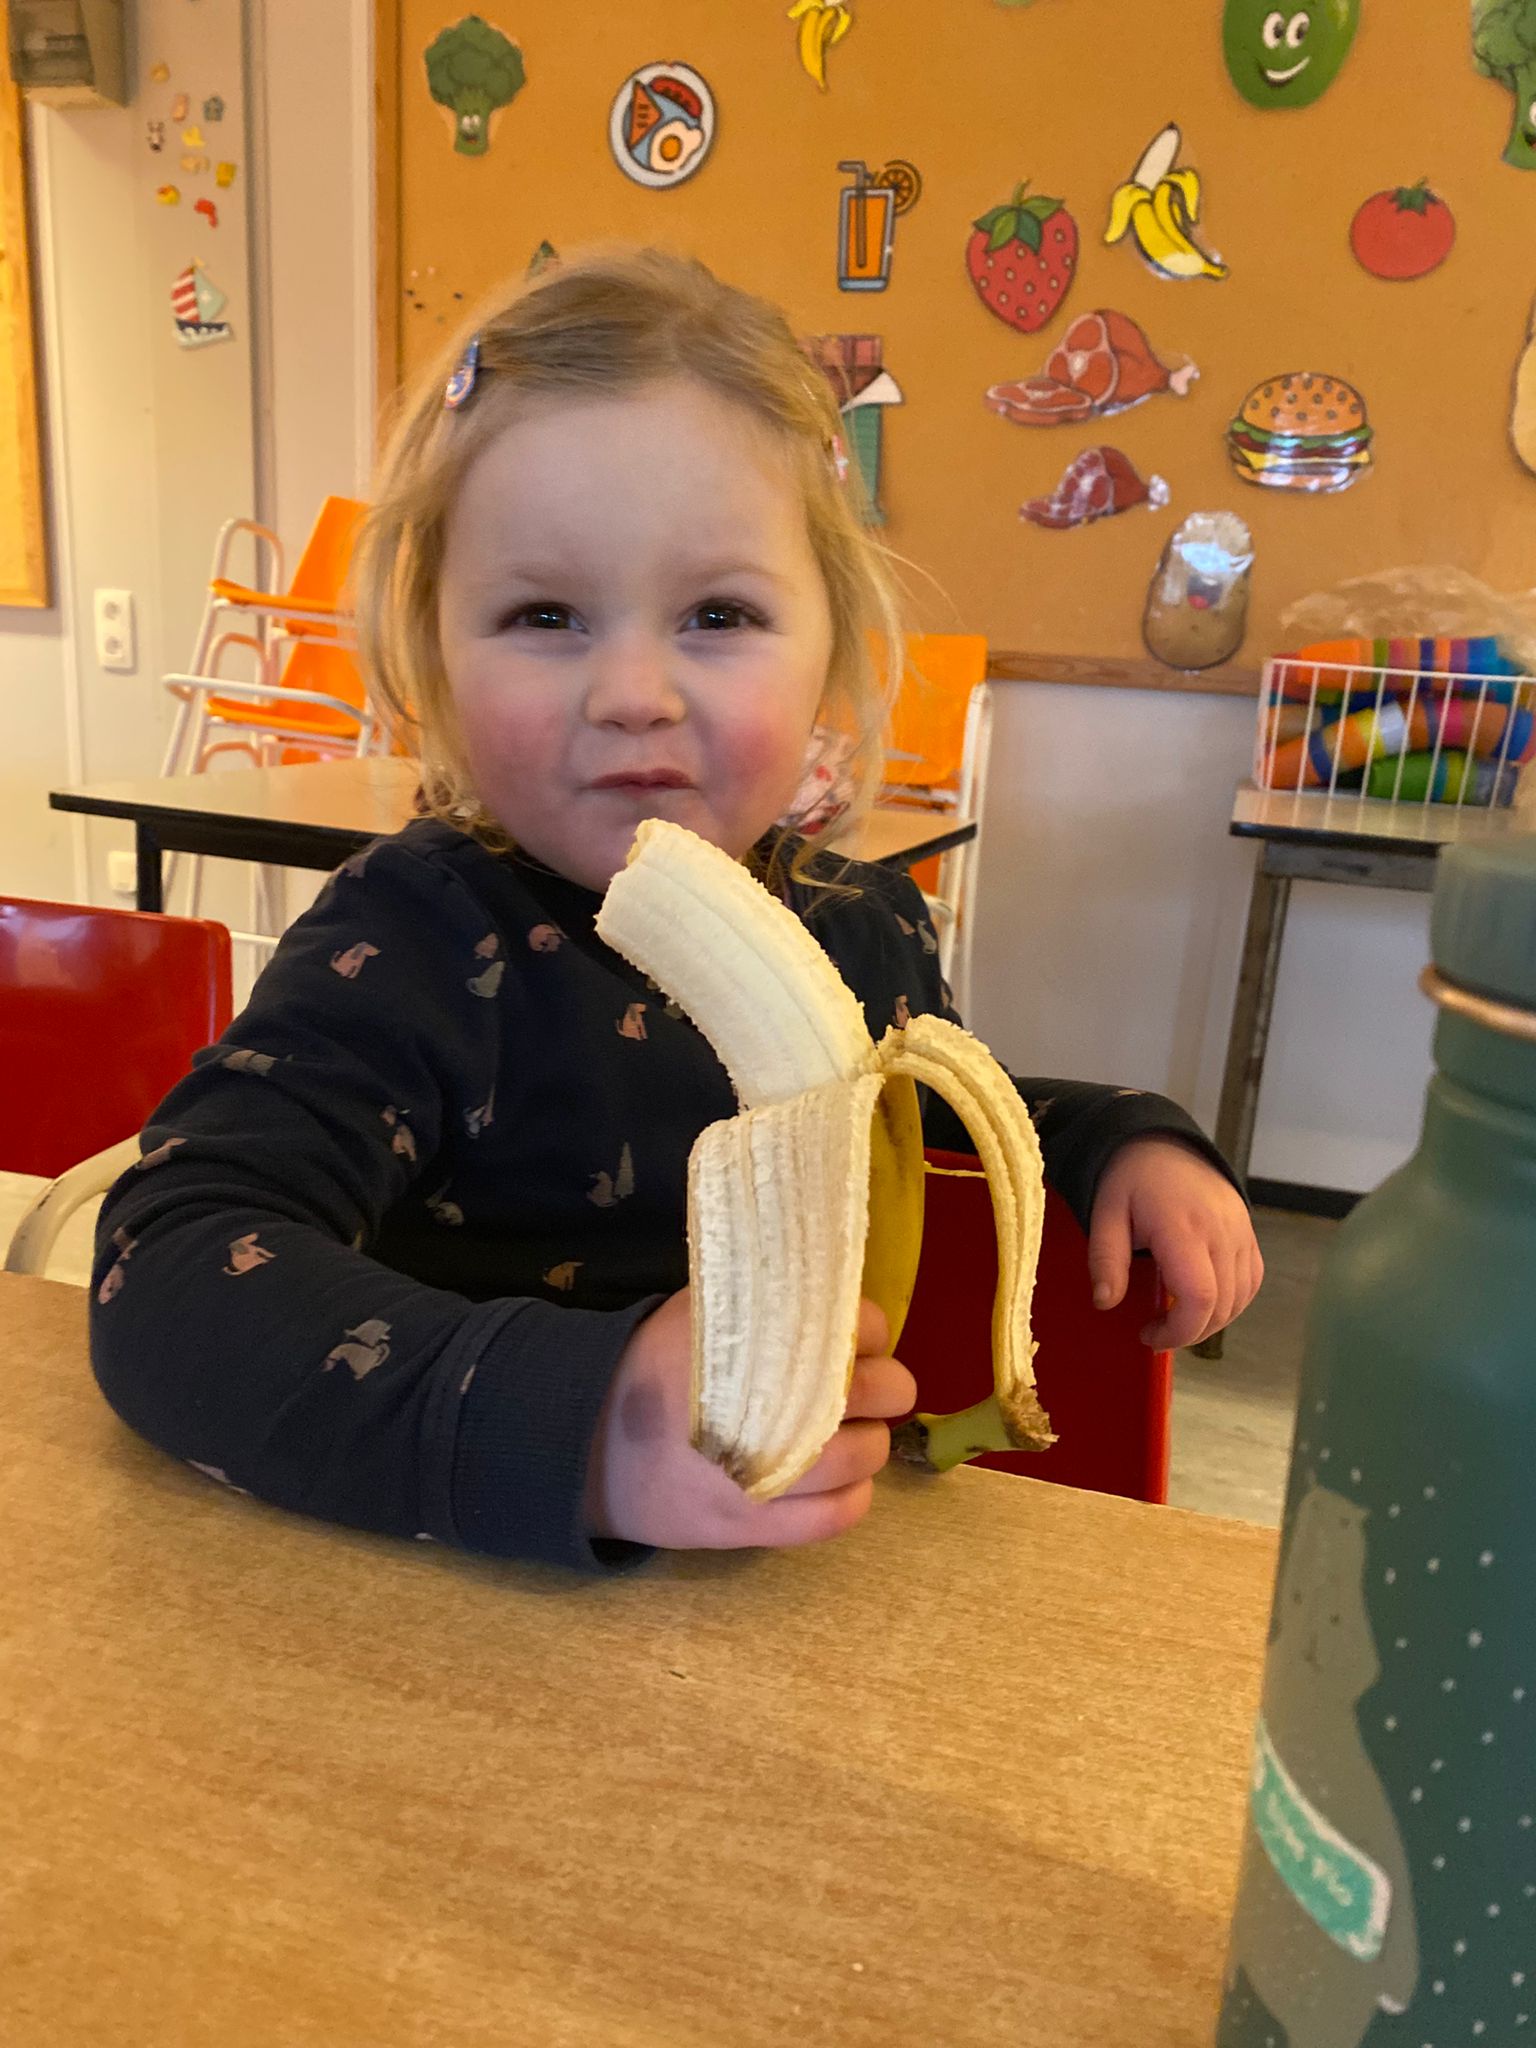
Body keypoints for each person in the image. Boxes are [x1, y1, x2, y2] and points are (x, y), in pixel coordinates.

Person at [90, 247, 1261, 1575]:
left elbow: (915, 1129)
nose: (633, 693)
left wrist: (1112, 1140)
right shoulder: (411, 939)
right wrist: (587, 1431)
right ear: (435, 654)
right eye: (546, 614)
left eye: (718, 612)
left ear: (832, 648)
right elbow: (167, 1273)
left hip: (797, 1606)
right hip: (461, 1610)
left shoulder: (863, 921)